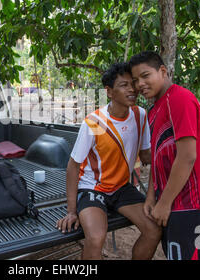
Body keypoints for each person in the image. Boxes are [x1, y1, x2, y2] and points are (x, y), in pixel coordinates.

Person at [56, 62, 162, 260]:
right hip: (92, 188)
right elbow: (73, 166)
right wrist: (71, 211)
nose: (132, 89)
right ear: (110, 92)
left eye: (133, 84)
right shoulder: (95, 123)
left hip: (121, 187)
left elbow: (147, 156)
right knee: (96, 238)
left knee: (153, 230)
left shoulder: (140, 115)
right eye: (124, 85)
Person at [128, 51, 200, 260]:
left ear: (163, 71)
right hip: (169, 203)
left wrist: (164, 202)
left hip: (193, 203)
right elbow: (158, 159)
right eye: (135, 80)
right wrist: (151, 196)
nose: (140, 84)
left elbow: (188, 156)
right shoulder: (153, 111)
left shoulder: (180, 99)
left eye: (145, 75)